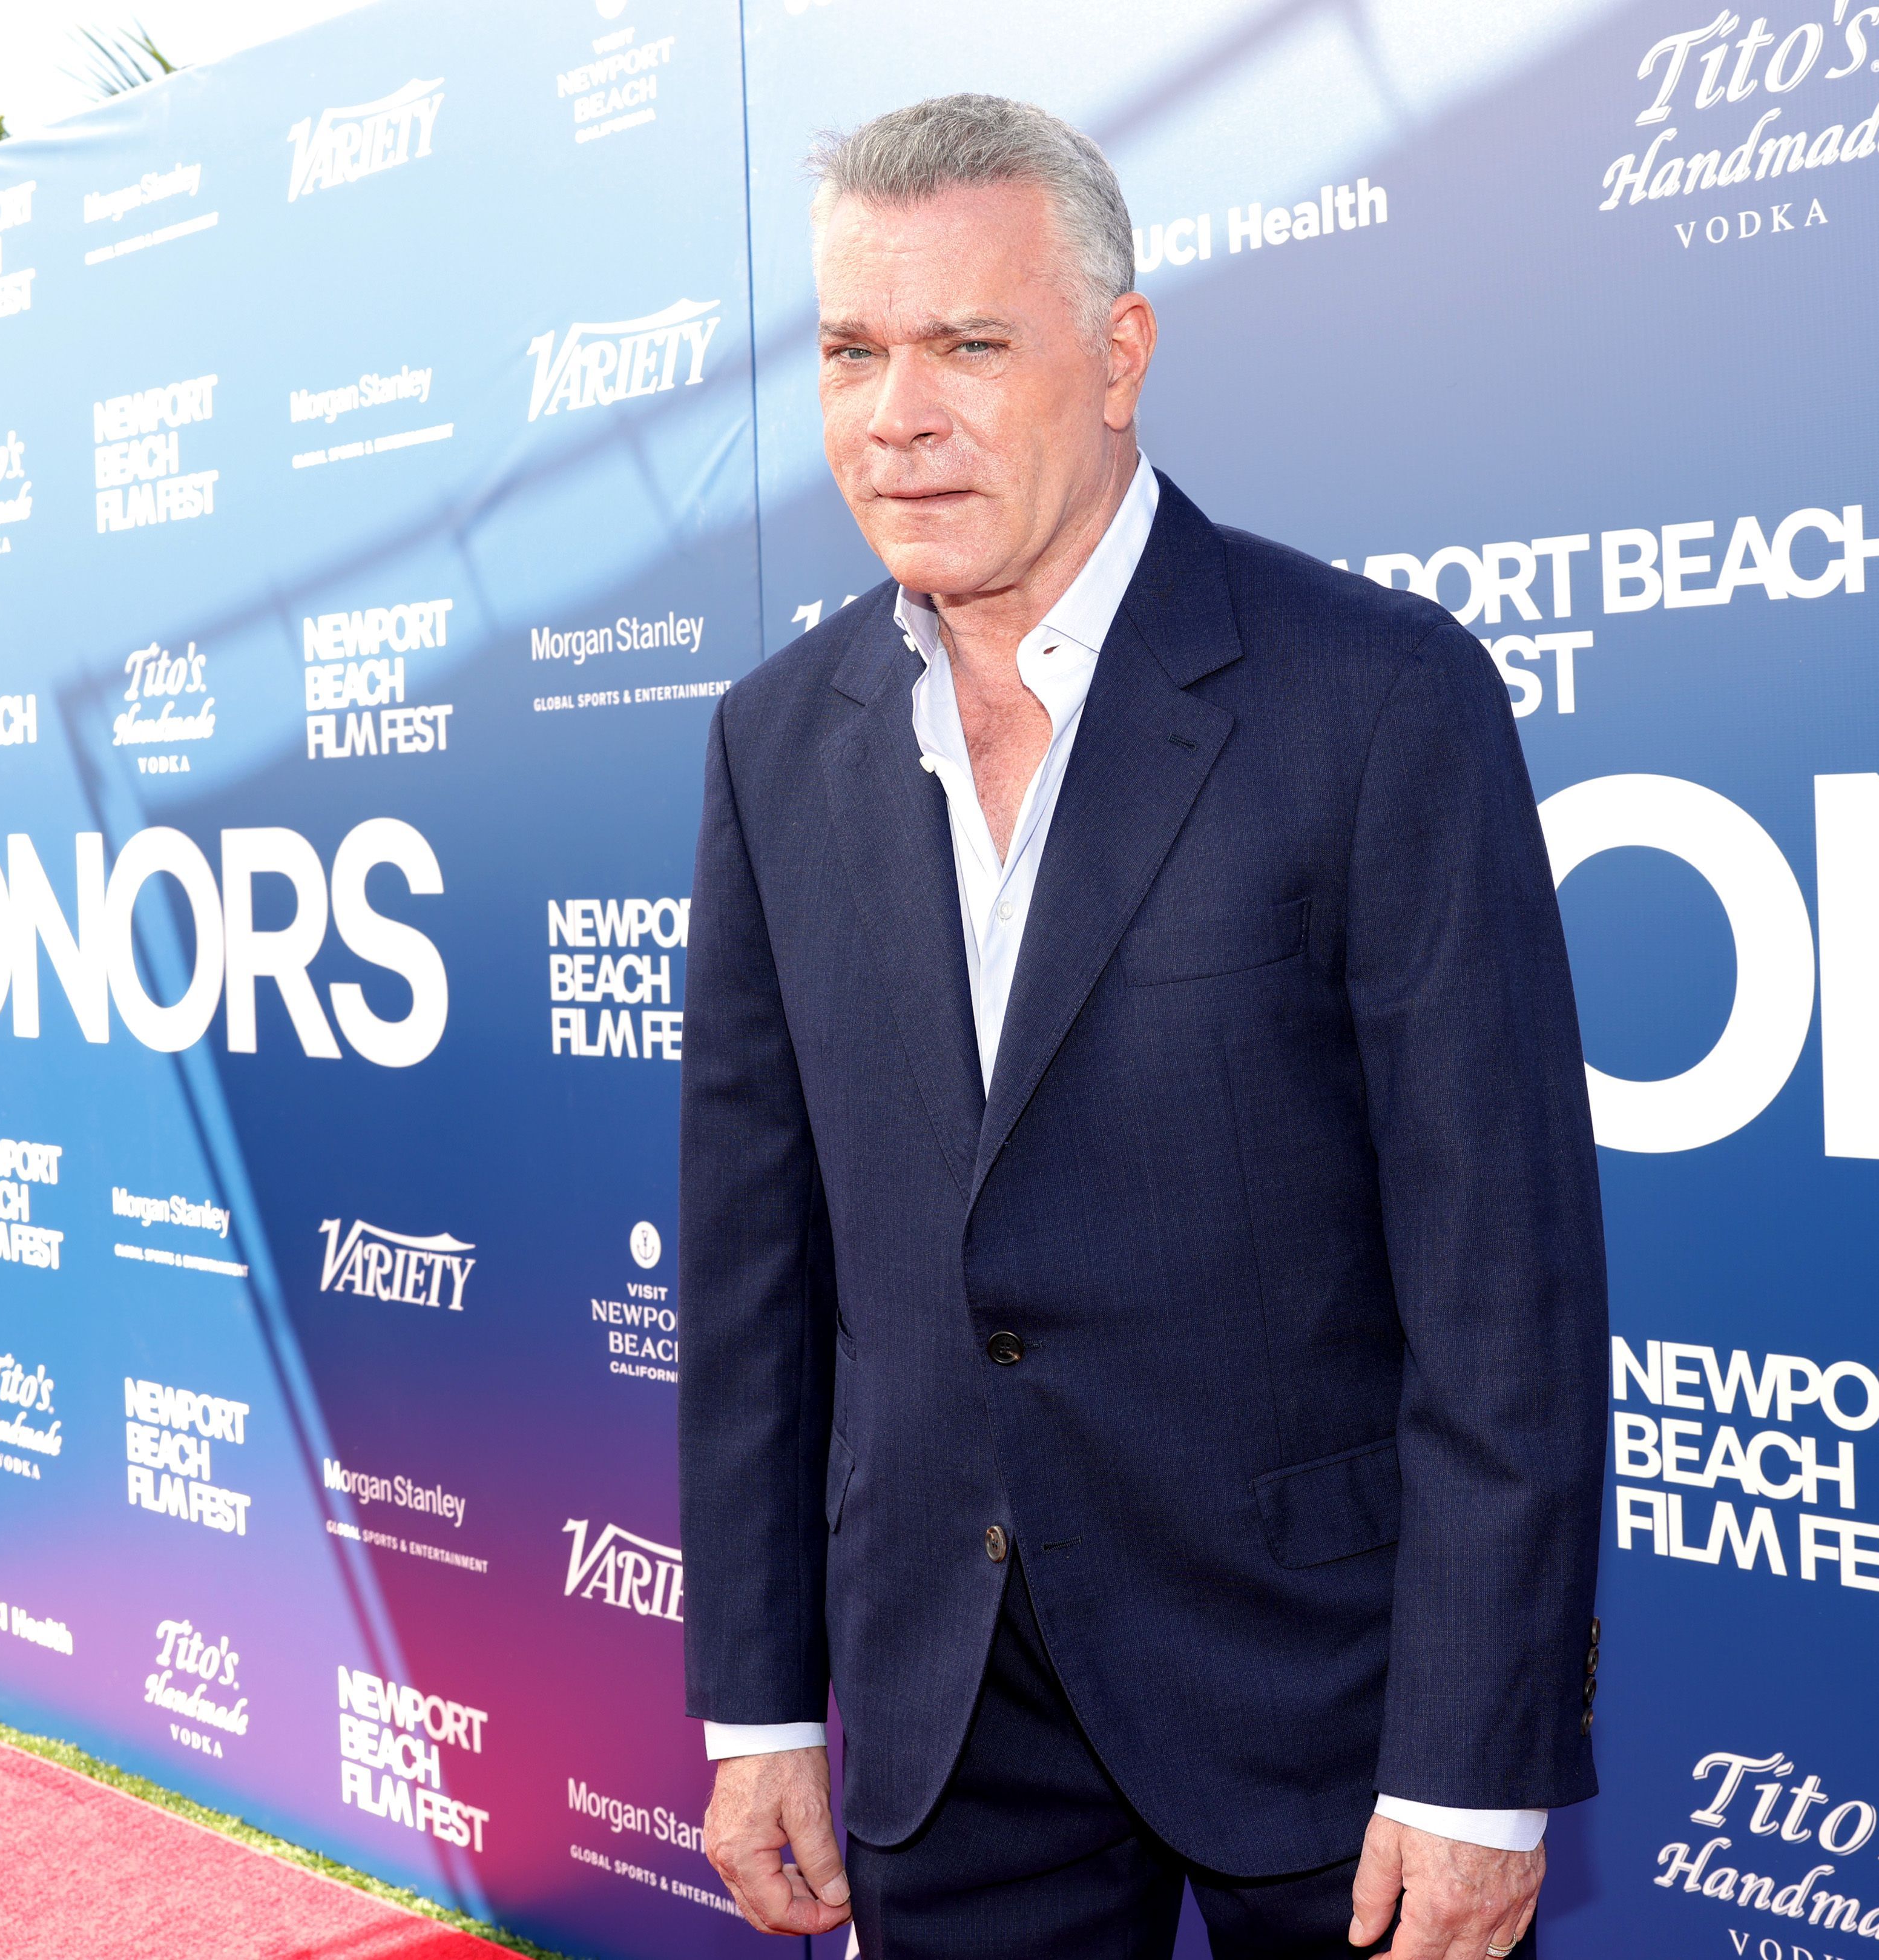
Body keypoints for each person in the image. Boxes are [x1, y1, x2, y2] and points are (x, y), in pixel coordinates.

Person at [676, 93, 1606, 1960]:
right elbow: (755, 1277)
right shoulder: (776, 741)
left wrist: (1475, 1760)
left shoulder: (1377, 698)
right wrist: (762, 1704)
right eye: (852, 351)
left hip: (1329, 1712)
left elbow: (1501, 1278)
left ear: (1119, 357)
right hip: (945, 1712)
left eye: (966, 345)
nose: (895, 414)